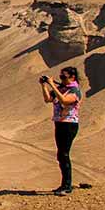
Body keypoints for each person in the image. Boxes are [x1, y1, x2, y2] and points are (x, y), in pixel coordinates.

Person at [39, 66, 82, 196]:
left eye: (64, 77)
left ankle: (67, 186)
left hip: (69, 124)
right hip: (59, 123)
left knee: (64, 154)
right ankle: (64, 184)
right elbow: (48, 99)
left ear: (72, 77)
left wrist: (53, 84)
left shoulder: (74, 90)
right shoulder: (62, 88)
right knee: (60, 154)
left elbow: (64, 100)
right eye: (61, 77)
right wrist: (44, 85)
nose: (61, 79)